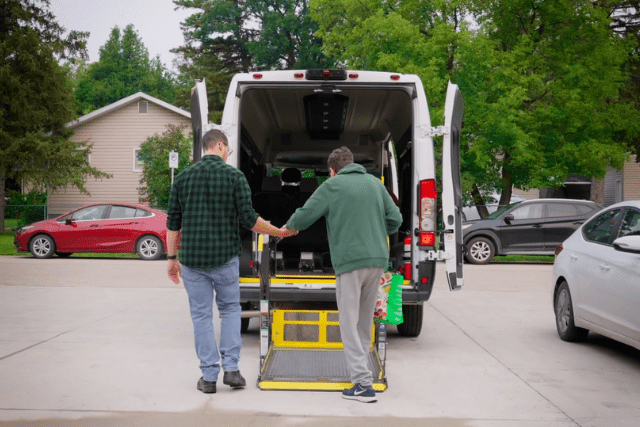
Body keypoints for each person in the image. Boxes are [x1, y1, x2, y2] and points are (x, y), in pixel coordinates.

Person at [166, 129, 296, 394]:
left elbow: (173, 224)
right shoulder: (234, 177)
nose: (229, 154)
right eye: (229, 150)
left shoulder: (183, 178)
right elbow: (250, 219)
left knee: (201, 316)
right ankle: (232, 370)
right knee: (229, 311)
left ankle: (209, 377)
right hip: (225, 260)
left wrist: (171, 259)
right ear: (220, 146)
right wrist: (279, 231)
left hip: (192, 261)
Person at [283, 146, 402, 403]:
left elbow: (305, 215)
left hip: (350, 263)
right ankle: (363, 378)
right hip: (378, 261)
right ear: (353, 163)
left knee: (348, 323)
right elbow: (396, 219)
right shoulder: (375, 184)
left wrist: (287, 228)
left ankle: (362, 384)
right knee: (362, 321)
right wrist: (377, 230)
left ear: (332, 169)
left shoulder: (332, 186)